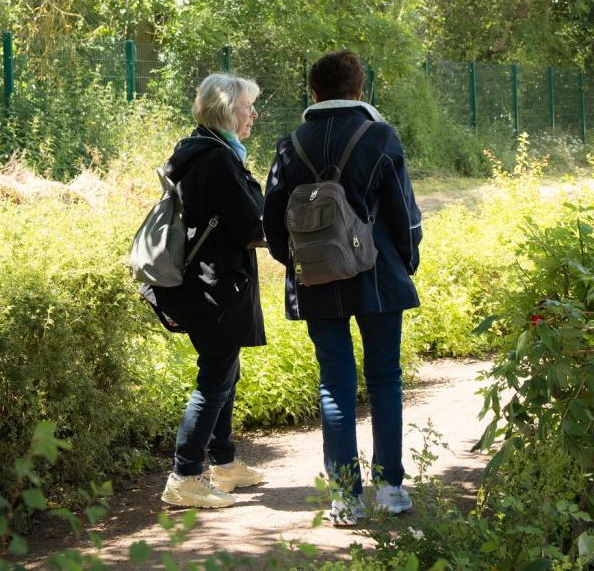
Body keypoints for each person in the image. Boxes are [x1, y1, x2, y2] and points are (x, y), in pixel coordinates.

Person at [263, 50, 423, 526]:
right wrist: (406, 262)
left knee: (335, 384)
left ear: (313, 92)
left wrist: (301, 264)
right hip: (377, 275)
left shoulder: (289, 144)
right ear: (359, 90)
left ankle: (345, 497)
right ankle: (390, 488)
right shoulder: (380, 136)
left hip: (316, 279)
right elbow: (403, 213)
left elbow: (273, 224)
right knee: (384, 376)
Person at [142, 73, 268, 509]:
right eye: (247, 107)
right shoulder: (216, 160)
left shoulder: (200, 150)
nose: (253, 114)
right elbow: (252, 224)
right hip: (214, 288)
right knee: (215, 376)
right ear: (226, 112)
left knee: (224, 372)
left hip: (206, 283)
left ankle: (224, 464)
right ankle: (186, 475)